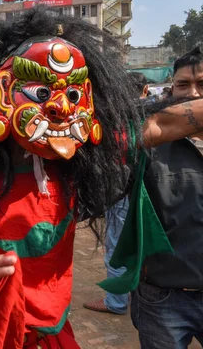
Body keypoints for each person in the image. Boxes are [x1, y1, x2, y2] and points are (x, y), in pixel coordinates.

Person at [0, 9, 203, 348]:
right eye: (41, 94)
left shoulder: (76, 166)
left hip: (53, 336)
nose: (60, 108)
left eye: (73, 95)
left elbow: (163, 124)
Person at [129, 46, 203, 348]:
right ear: (171, 88)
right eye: (183, 85)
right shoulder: (149, 140)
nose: (193, 93)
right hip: (163, 299)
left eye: (202, 85)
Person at [84, 72, 150, 316]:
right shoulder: (159, 115)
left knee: (116, 247)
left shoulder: (116, 116)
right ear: (145, 90)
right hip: (148, 194)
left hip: (122, 193)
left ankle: (116, 301)